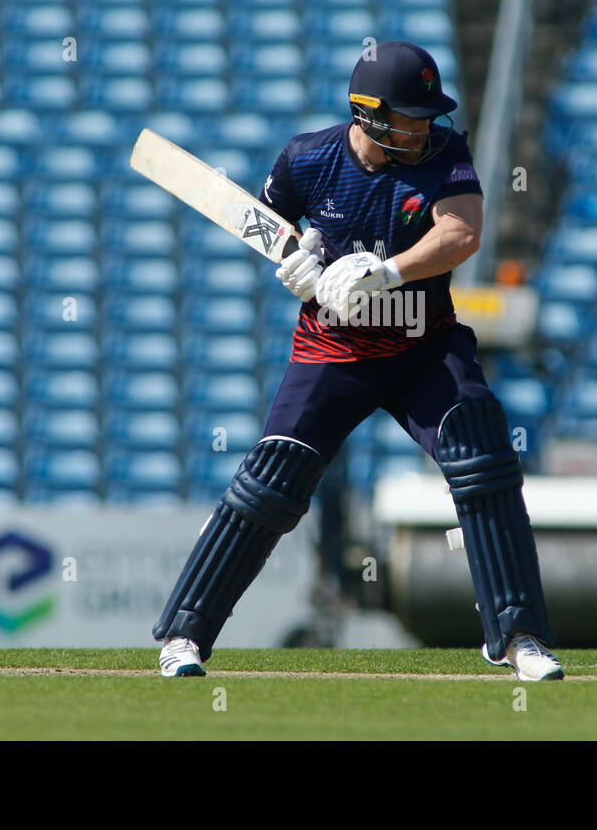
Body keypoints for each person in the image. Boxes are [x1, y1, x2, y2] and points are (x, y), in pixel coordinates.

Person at [154, 40, 563, 681]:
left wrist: (387, 271)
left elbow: (462, 232)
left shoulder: (444, 155)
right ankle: (185, 635)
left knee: (483, 456)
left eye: (429, 114)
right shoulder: (307, 158)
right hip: (332, 348)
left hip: (424, 345)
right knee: (272, 480)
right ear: (369, 114)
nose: (424, 126)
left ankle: (520, 638)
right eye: (410, 115)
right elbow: (269, 227)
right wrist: (295, 264)